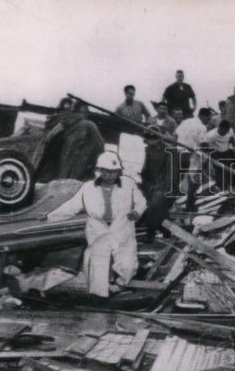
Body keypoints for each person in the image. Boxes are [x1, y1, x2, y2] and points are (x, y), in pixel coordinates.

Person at [46, 152, 146, 297]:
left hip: (122, 227)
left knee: (127, 265)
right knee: (97, 265)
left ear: (118, 171)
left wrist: (137, 211)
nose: (110, 175)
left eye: (113, 172)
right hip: (98, 229)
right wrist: (49, 217)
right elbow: (71, 206)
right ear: (99, 171)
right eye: (106, 171)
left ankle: (120, 285)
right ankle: (99, 295)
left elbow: (141, 201)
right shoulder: (88, 188)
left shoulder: (128, 184)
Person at [139, 126, 173, 244]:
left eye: (154, 137)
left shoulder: (168, 150)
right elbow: (143, 170)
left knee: (154, 206)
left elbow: (171, 173)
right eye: (149, 138)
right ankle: (166, 231)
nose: (152, 140)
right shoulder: (146, 150)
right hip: (149, 185)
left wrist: (163, 187)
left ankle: (150, 233)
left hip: (165, 186)